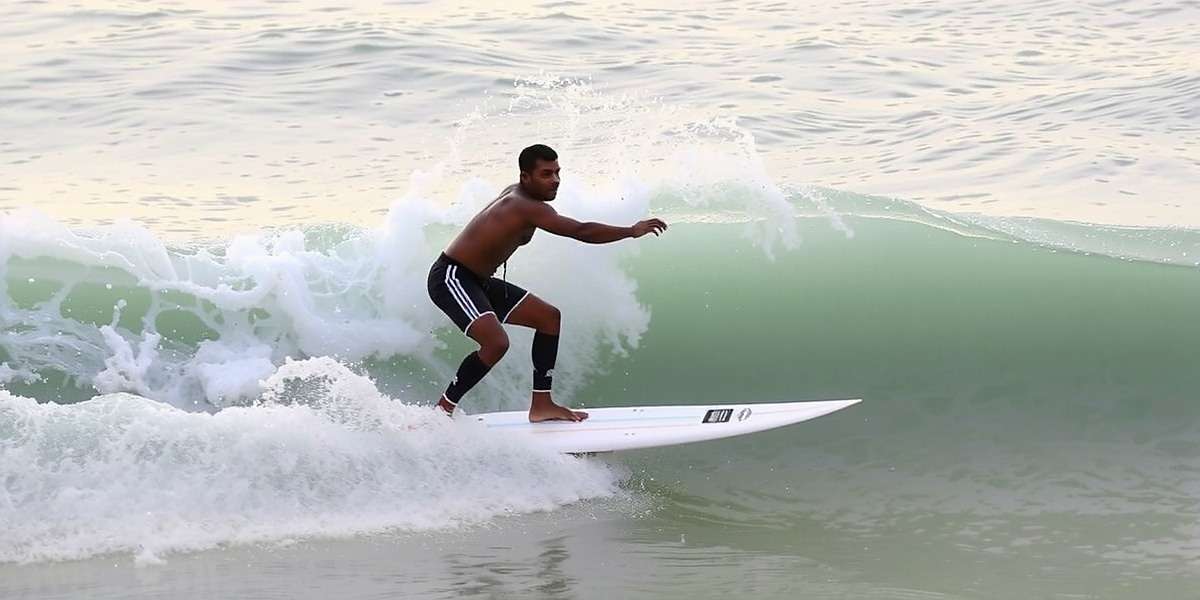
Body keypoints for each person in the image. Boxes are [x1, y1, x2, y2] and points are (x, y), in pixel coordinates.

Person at [427, 144, 668, 422]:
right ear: (525, 176)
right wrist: (630, 231)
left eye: (557, 172)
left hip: (477, 280)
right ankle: (442, 410)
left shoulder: (521, 197)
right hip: (452, 277)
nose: (555, 180)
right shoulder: (523, 206)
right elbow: (581, 231)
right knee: (496, 343)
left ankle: (541, 405)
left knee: (548, 318)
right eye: (546, 174)